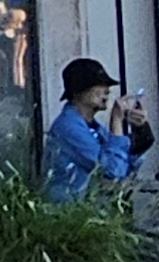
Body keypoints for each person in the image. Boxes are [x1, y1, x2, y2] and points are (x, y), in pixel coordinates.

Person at [42, 58, 149, 201]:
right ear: (78, 91)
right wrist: (116, 121)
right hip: (67, 210)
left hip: (86, 210)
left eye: (107, 86)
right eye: (98, 85)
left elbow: (124, 167)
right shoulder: (69, 127)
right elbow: (113, 171)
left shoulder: (93, 127)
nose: (107, 91)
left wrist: (140, 129)